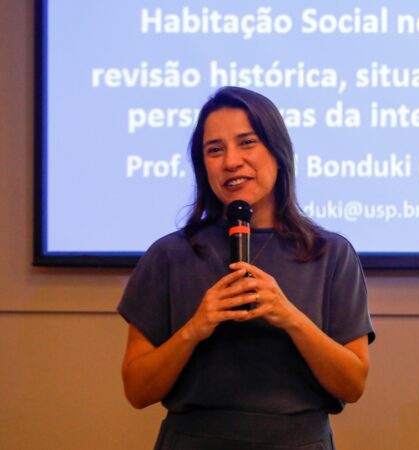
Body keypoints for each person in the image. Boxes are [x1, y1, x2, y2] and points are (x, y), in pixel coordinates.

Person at [118, 86, 374, 449]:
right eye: (215, 150)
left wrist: (289, 316)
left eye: (247, 142)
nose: (231, 161)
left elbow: (353, 385)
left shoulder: (329, 253)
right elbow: (137, 390)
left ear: (278, 151)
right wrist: (195, 327)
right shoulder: (169, 255)